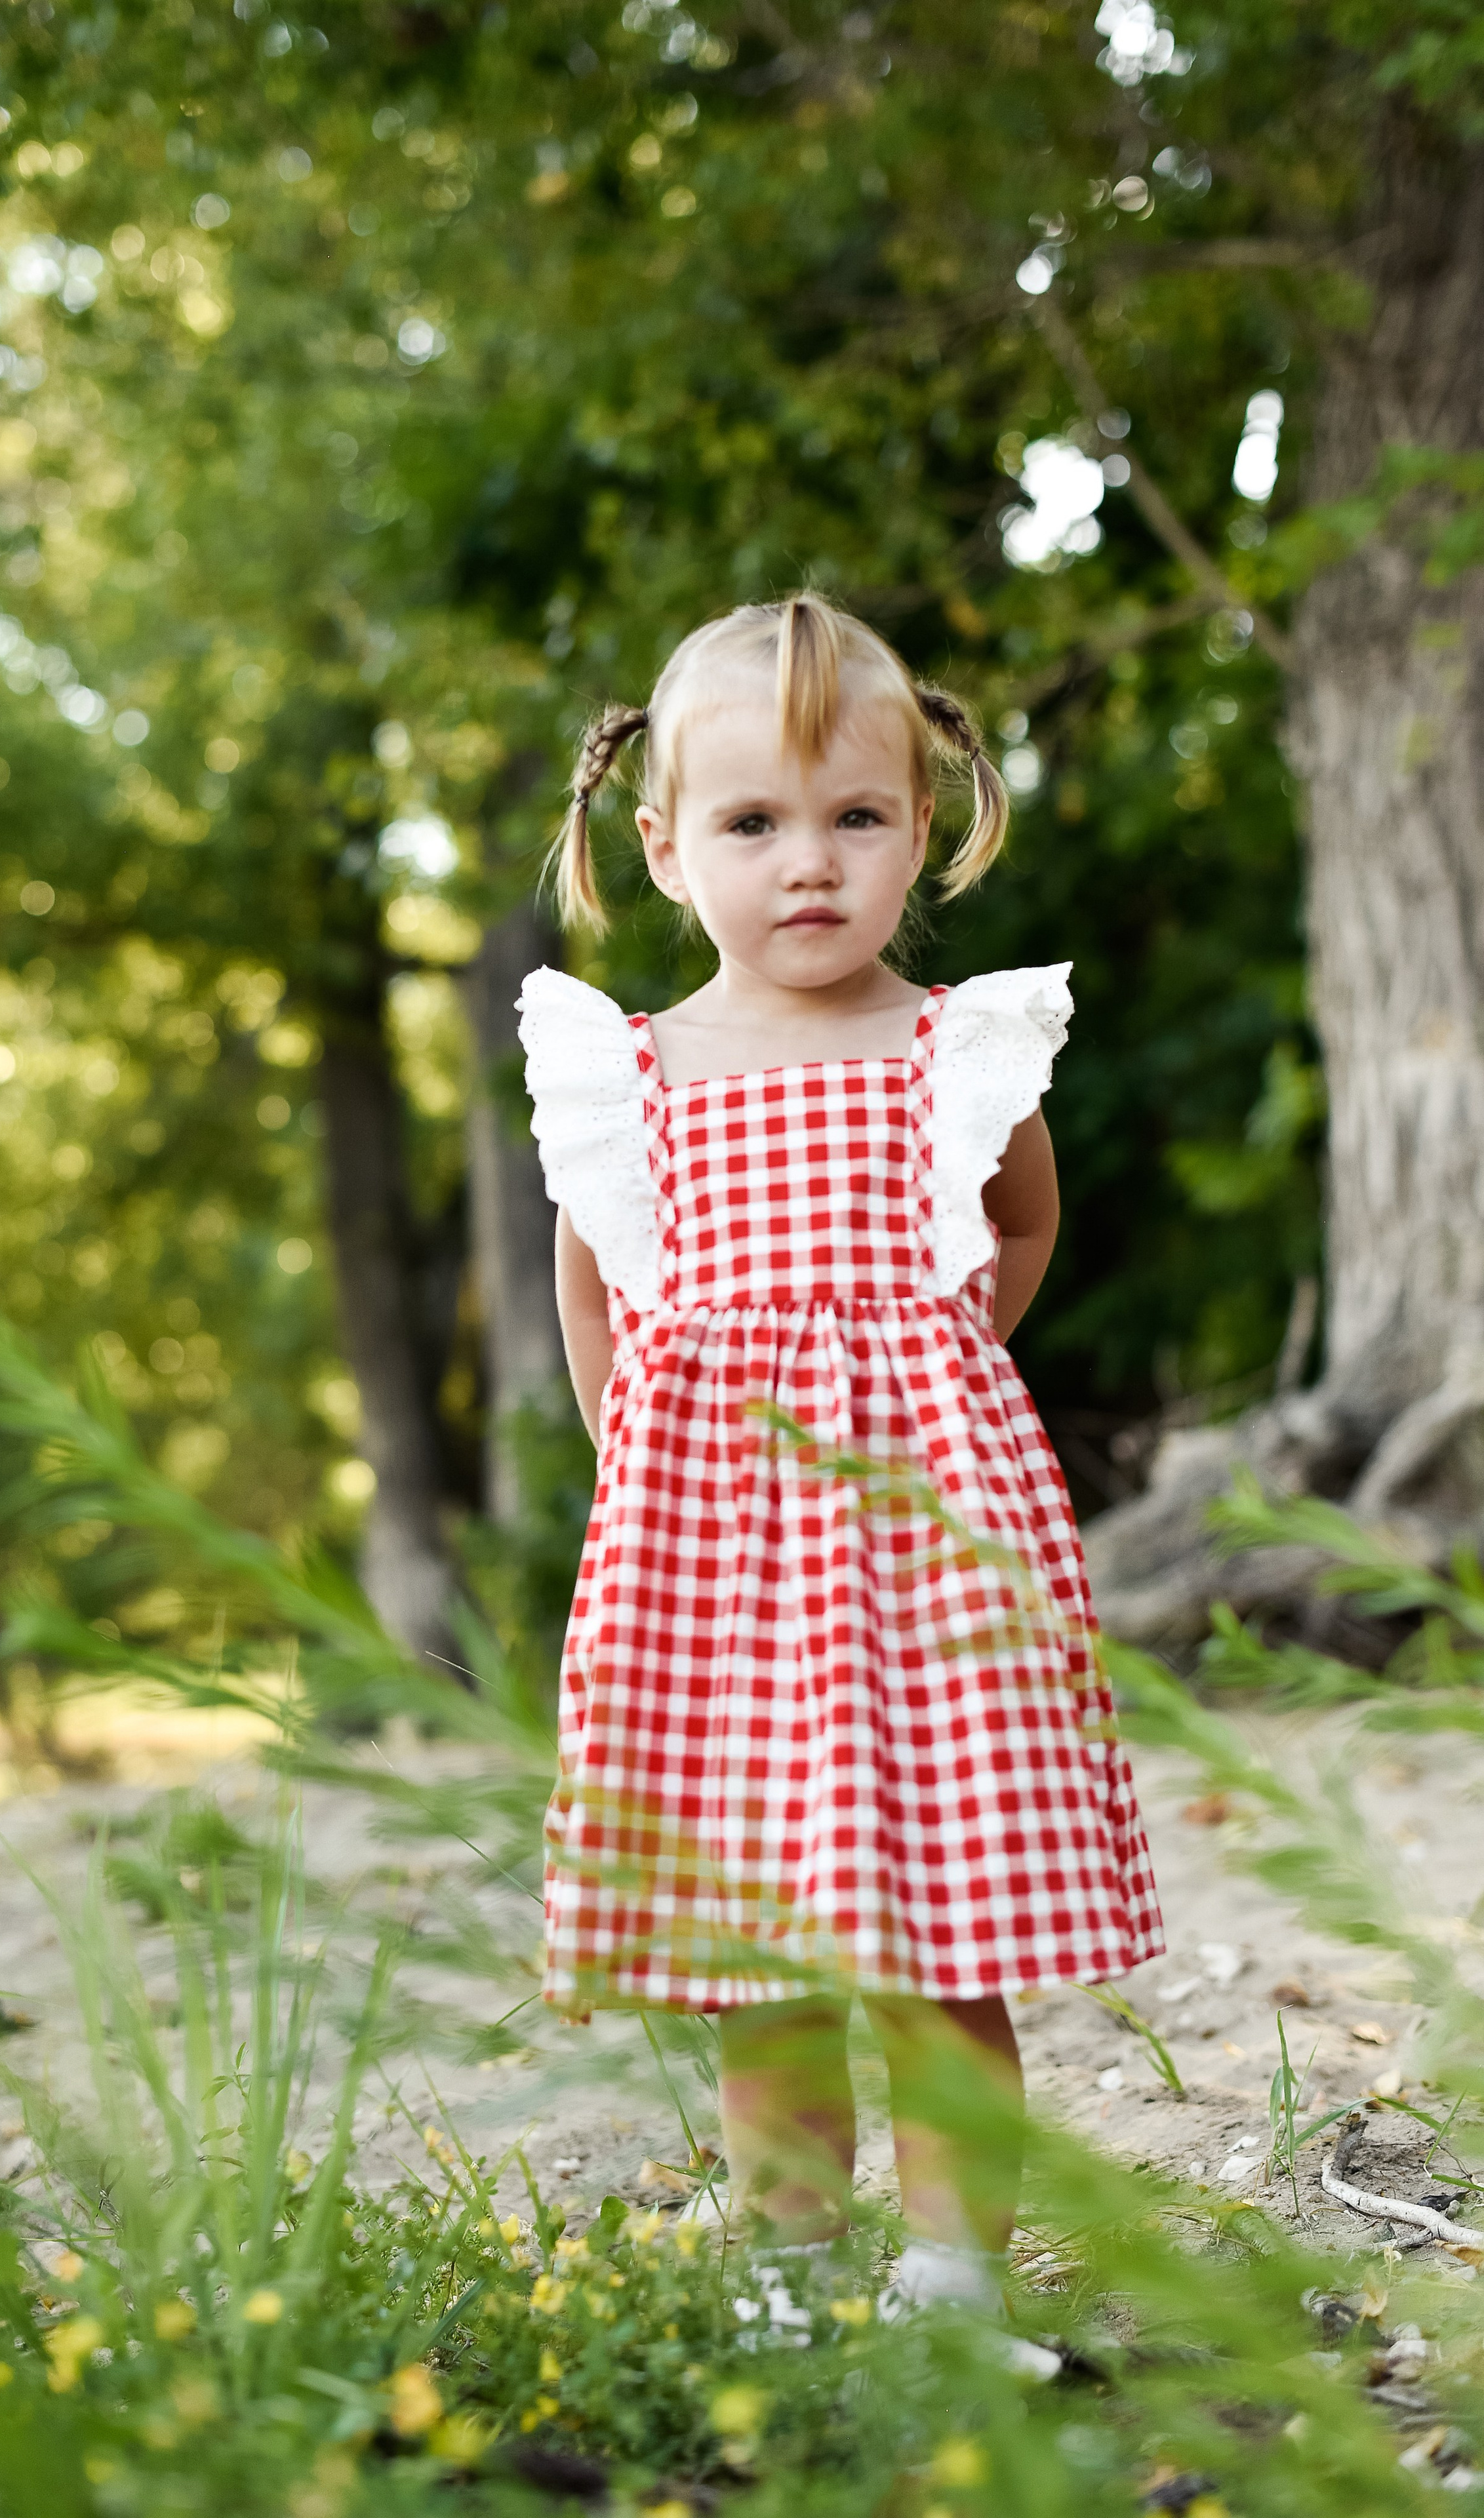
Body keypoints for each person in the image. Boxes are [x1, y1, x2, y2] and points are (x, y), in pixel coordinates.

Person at [516, 591, 1163, 2314]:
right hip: (717, 1570)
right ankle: (790, 2277)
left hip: (928, 1545)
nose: (810, 863)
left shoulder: (955, 1053)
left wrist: (928, 1371)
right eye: (754, 823)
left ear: (919, 829)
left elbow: (1015, 1232)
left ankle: (953, 2285)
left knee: (953, 1943)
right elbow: (604, 1290)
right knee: (760, 1963)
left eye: (854, 817)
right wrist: (654, 1452)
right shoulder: (632, 1074)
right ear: (663, 850)